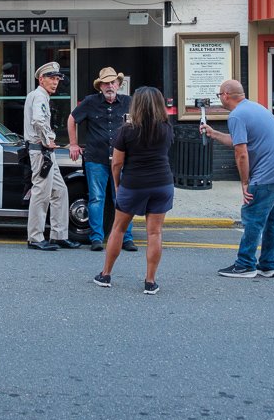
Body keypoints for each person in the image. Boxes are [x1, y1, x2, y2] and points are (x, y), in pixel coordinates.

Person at [203, 79, 274, 278]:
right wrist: (214, 134)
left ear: (226, 95)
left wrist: (245, 182)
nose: (219, 98)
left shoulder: (237, 115)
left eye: (219, 95)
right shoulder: (254, 108)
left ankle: (245, 264)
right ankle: (268, 265)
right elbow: (238, 140)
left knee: (253, 218)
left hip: (268, 172)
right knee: (273, 219)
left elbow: (241, 153)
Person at [93, 86, 174, 294]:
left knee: (118, 228)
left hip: (133, 183)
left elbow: (117, 164)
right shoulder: (166, 128)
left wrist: (118, 185)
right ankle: (150, 281)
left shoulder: (126, 130)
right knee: (154, 232)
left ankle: (106, 274)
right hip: (162, 183)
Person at [68, 67, 138, 252]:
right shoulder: (90, 102)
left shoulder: (129, 102)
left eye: (112, 82)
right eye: (106, 83)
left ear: (118, 84)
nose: (109, 86)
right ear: (100, 86)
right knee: (97, 198)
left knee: (123, 199)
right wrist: (73, 144)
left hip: (122, 159)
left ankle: (126, 238)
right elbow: (72, 118)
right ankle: (96, 238)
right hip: (96, 158)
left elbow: (139, 125)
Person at [24, 61, 80, 251]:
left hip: (45, 152)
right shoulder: (39, 96)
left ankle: (59, 235)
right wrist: (48, 139)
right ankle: (35, 237)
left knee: (60, 191)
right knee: (41, 193)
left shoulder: (42, 96)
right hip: (41, 151)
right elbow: (38, 120)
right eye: (51, 78)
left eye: (57, 79)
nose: (55, 82)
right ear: (41, 79)